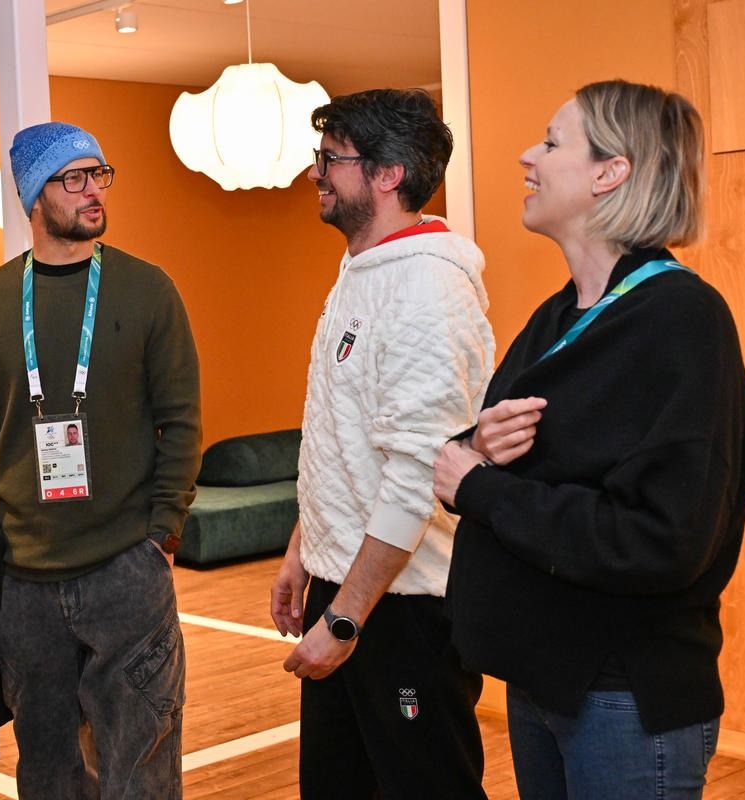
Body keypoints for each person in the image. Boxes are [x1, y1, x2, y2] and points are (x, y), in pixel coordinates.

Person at [433, 79, 745, 799]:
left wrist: (480, 486)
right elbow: (502, 458)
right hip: (542, 677)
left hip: (624, 694)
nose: (527, 156)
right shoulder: (559, 316)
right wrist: (477, 447)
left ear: (611, 173)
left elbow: (662, 539)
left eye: (552, 143)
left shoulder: (682, 320)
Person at [0, 122, 201, 799]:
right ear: (35, 196)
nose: (94, 191)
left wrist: (162, 534)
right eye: (75, 178)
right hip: (23, 579)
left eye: (100, 175)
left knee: (141, 769)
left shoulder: (148, 289)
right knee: (48, 772)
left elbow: (181, 421)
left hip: (127, 568)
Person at [268, 88, 494, 799]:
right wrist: (303, 553)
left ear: (388, 174)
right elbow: (344, 443)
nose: (316, 174)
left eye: (331, 159)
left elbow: (416, 476)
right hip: (350, 587)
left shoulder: (428, 288)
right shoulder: (363, 272)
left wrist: (344, 619)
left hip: (403, 608)